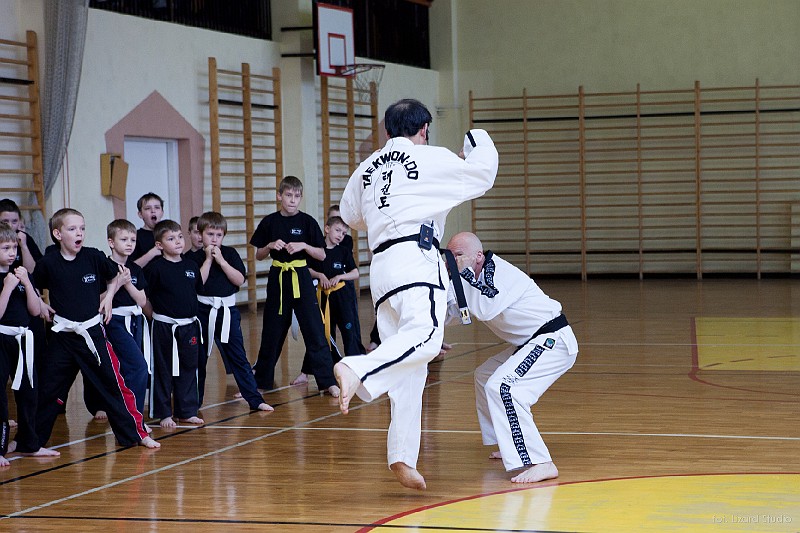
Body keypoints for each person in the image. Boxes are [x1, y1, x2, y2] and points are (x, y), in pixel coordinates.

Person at [334, 98, 498, 489]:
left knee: (410, 366)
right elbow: (483, 174)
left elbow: (350, 215)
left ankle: (402, 456)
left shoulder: (366, 168)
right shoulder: (429, 157)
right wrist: (475, 140)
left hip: (381, 269)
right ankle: (357, 368)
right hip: (415, 259)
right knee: (426, 339)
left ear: (387, 129)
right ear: (423, 129)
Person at [446, 232, 578, 483]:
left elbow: (485, 308)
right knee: (485, 376)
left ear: (478, 256)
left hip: (553, 340)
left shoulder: (498, 273)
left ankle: (542, 462)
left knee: (503, 387)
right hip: (530, 342)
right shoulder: (468, 278)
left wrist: (461, 276)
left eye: (459, 255)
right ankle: (511, 445)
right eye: (450, 256)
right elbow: (457, 313)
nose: (454, 261)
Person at [33, 208, 159, 449]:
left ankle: (136, 434)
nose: (79, 233)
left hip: (92, 334)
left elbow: (115, 276)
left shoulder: (93, 256)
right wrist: (40, 303)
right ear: (58, 234)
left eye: (82, 228)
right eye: (72, 229)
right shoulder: (49, 262)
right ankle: (31, 442)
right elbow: (32, 284)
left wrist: (109, 297)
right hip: (62, 336)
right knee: (48, 389)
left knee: (114, 385)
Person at [249, 175, 339, 397]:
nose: (292, 200)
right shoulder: (270, 222)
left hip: (301, 277)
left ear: (301, 198)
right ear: (279, 196)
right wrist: (270, 245)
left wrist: (304, 246)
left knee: (315, 329)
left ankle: (327, 381)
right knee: (272, 330)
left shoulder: (307, 222)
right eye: (288, 195)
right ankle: (261, 381)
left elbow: (322, 254)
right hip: (278, 277)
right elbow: (259, 255)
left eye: (296, 196)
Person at [184, 211, 273, 412]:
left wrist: (222, 261)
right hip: (202, 311)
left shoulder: (230, 254)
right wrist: (208, 260)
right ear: (201, 234)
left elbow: (239, 280)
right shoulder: (191, 258)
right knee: (198, 358)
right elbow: (197, 284)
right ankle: (193, 405)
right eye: (210, 234)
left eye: (219, 235)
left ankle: (255, 399)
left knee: (238, 356)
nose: (214, 239)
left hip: (227, 311)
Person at [0, 224, 59, 465]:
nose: (11, 252)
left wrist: (27, 283)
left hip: (23, 340)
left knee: (28, 393)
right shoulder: (6, 280)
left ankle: (29, 443)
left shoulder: (20, 274)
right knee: (1, 396)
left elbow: (35, 310)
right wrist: (7, 287)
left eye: (13, 247)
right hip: (2, 339)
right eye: (5, 248)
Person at [144, 219, 204, 429]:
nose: (178, 241)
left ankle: (186, 411)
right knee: (163, 369)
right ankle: (163, 413)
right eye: (171, 238)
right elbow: (145, 297)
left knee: (189, 366)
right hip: (164, 326)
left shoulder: (191, 266)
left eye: (179, 236)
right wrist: (156, 318)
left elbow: (195, 291)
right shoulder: (155, 268)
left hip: (189, 326)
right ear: (159, 245)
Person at [292, 215, 365, 385]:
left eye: (344, 233)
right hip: (323, 298)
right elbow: (306, 268)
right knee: (321, 335)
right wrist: (319, 275)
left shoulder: (343, 251)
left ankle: (356, 370)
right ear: (327, 229)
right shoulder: (316, 251)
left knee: (349, 333)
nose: (340, 235)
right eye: (337, 230)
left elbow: (355, 273)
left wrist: (340, 276)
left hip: (342, 297)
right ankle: (306, 372)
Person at [105, 219, 150, 419]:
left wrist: (127, 283)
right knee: (137, 367)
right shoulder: (104, 266)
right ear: (111, 242)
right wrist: (117, 283)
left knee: (135, 367)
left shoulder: (135, 268)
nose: (129, 244)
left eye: (132, 240)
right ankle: (133, 417)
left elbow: (142, 300)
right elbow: (99, 300)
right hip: (114, 321)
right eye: (124, 239)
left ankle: (133, 415)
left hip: (135, 320)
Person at [0, 198, 43, 272]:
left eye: (14, 221)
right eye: (5, 222)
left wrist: (24, 246)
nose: (10, 226)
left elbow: (33, 272)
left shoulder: (25, 237)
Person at [131, 192, 164, 268]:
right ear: (140, 214)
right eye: (148, 208)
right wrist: (150, 254)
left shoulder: (168, 234)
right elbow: (131, 268)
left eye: (157, 207)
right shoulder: (135, 237)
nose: (153, 211)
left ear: (162, 212)